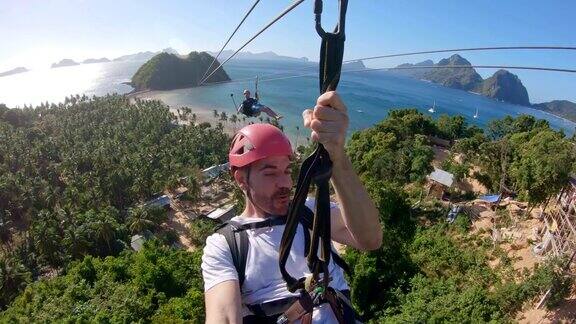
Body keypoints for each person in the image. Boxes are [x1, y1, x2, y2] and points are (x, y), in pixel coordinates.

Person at [202, 91, 382, 323]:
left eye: (287, 171)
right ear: (241, 179)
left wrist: (336, 154)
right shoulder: (227, 244)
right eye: (270, 172)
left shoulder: (310, 212)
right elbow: (224, 317)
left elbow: (371, 240)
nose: (286, 183)